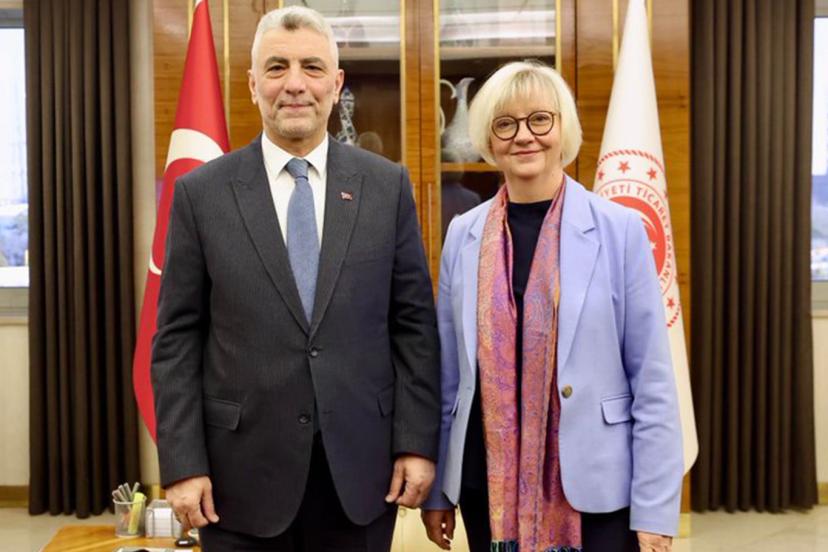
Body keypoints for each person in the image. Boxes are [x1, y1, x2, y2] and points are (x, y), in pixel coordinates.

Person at [151, 6, 441, 551]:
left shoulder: (386, 187)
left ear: (336, 83)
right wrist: (183, 463)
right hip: (237, 481)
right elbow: (176, 340)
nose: (294, 84)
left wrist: (417, 443)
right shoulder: (200, 194)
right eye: (277, 67)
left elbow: (414, 329)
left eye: (312, 67)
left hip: (360, 475)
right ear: (252, 83)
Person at [420, 60, 683, 552]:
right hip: (487, 485)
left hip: (596, 487)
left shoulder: (620, 231)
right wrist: (438, 491)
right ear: (489, 138)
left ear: (563, 128)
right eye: (506, 123)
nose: (525, 136)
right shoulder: (463, 235)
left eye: (540, 119)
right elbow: (448, 377)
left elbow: (652, 382)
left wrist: (655, 507)